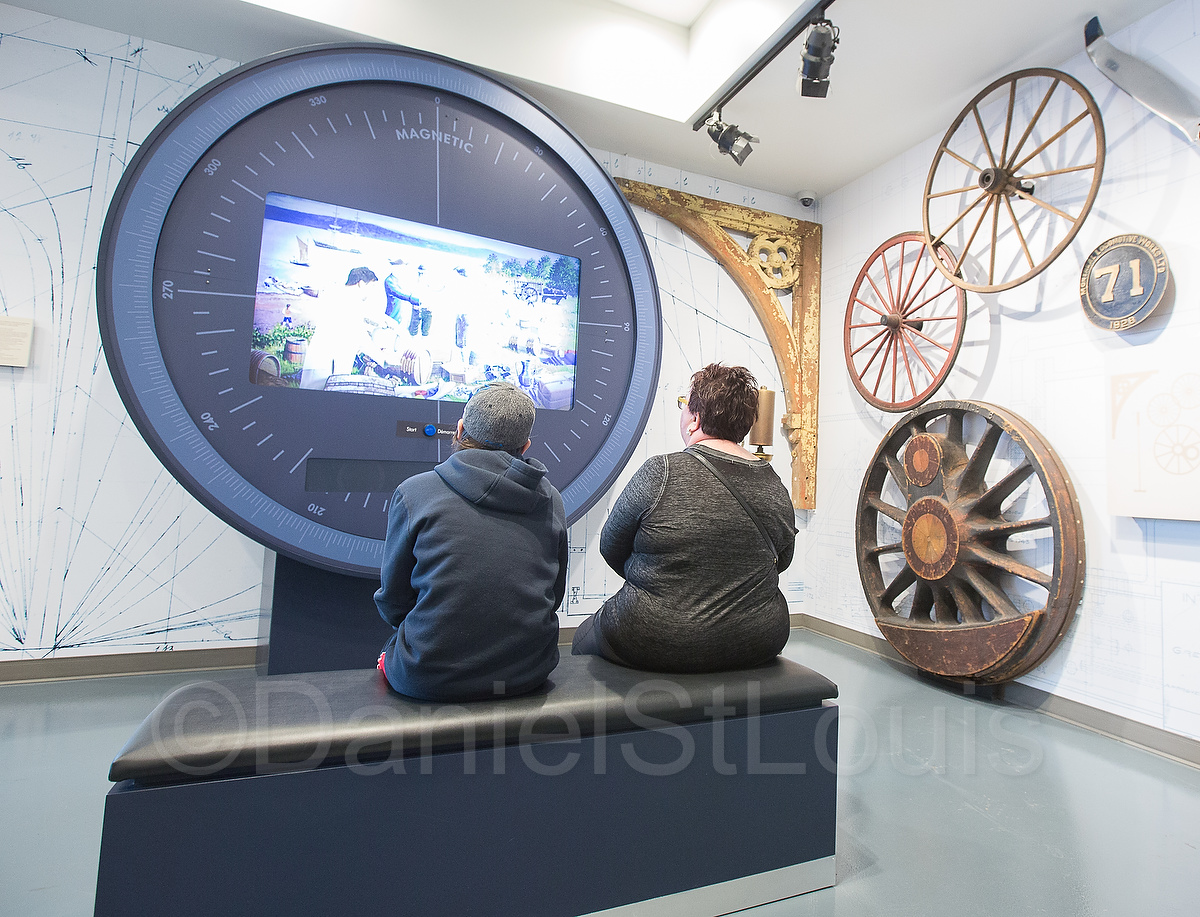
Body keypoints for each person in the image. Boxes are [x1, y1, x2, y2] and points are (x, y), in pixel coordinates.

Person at [572, 363, 796, 672]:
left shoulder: (660, 472)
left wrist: (660, 581)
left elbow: (611, 546)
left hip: (652, 636)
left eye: (684, 405)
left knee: (580, 640)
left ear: (695, 419)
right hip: (758, 639)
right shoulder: (774, 484)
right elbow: (782, 561)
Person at [375, 382, 567, 701]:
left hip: (426, 677)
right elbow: (554, 595)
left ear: (461, 429)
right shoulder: (552, 500)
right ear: (525, 446)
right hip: (529, 672)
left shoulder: (413, 493)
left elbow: (393, 602)